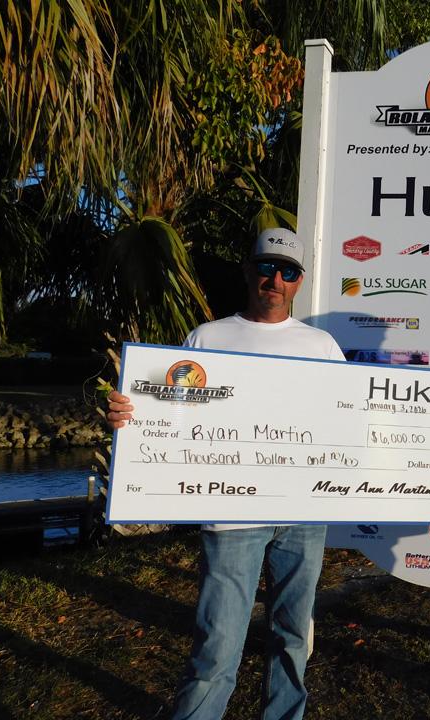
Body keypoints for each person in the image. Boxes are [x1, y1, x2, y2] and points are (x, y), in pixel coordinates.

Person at [107, 227, 345, 720]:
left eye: (288, 272)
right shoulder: (207, 337)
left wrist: (424, 438)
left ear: (299, 281)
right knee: (217, 644)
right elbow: (172, 413)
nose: (275, 280)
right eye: (266, 267)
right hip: (231, 517)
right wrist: (131, 415)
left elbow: (354, 419)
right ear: (247, 271)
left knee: (294, 637)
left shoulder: (321, 345)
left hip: (303, 515)